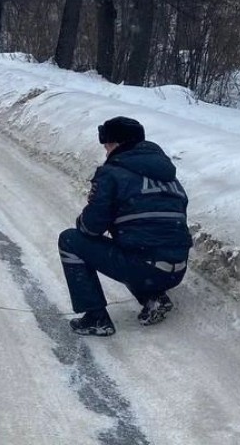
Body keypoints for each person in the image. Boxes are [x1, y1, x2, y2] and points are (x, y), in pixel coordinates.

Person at [58, 116, 191, 336]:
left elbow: (92, 228)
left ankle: (95, 318)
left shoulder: (112, 173)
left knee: (70, 240)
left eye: (107, 146)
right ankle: (153, 298)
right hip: (176, 269)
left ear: (119, 145)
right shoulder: (170, 178)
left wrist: (83, 222)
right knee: (137, 242)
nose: (106, 152)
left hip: (144, 267)